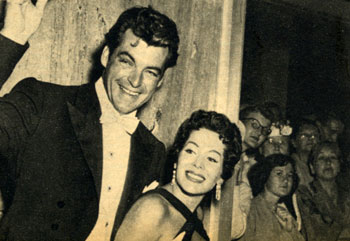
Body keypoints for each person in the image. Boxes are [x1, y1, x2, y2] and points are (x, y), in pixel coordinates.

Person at [0, 1, 179, 240]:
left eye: (150, 71)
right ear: (106, 56)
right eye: (127, 61)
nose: (136, 81)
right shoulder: (43, 102)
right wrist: (10, 39)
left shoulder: (153, 152)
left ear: (160, 82)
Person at [114, 110, 242, 241]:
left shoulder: (196, 214)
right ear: (177, 156)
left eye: (211, 159)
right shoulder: (154, 210)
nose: (198, 164)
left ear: (221, 175)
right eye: (191, 151)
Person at [231, 104, 274, 238]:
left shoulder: (245, 163)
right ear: (240, 123)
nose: (259, 133)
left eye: (265, 130)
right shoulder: (227, 156)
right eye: (255, 125)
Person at [241, 154, 304, 241]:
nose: (285, 180)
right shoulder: (251, 210)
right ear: (265, 175)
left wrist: (289, 230)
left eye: (289, 175)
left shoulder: (284, 213)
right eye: (279, 173)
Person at [297, 142, 350, 241]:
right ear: (312, 167)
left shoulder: (347, 196)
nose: (328, 162)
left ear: (339, 165)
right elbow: (314, 233)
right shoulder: (304, 194)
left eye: (333, 157)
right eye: (321, 158)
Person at [290, 119, 320, 186]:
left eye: (314, 135)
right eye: (304, 136)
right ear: (294, 142)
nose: (310, 138)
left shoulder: (322, 163)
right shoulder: (291, 165)